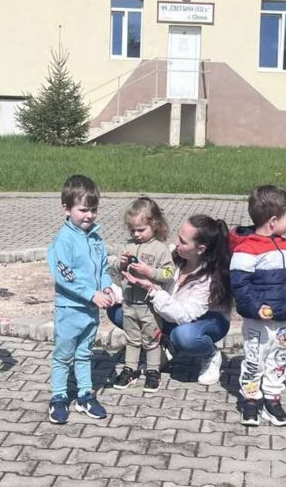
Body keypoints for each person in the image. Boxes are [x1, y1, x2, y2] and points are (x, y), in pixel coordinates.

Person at [122, 214, 232, 387]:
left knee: (184, 336)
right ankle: (166, 345)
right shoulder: (173, 255)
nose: (176, 242)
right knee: (121, 311)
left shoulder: (208, 278)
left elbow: (185, 315)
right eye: (178, 236)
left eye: (183, 241)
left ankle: (210, 355)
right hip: (170, 314)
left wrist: (152, 290)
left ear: (200, 249)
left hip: (205, 321)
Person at [46, 175, 119, 425]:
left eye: (93, 210)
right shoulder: (63, 240)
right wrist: (91, 294)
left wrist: (106, 286)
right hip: (70, 309)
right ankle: (58, 397)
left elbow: (103, 268)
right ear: (66, 209)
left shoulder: (97, 238)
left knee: (84, 353)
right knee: (63, 355)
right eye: (83, 210)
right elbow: (64, 276)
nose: (89, 215)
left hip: (91, 310)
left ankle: (85, 395)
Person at [231, 185, 286, 427]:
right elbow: (240, 284)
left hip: (282, 318)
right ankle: (251, 400)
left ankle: (273, 400)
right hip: (258, 320)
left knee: (279, 358)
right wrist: (255, 307)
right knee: (255, 360)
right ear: (273, 221)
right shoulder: (246, 248)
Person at [109, 197, 175, 391]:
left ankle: (153, 371)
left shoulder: (160, 249)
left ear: (154, 224)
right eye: (132, 230)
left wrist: (150, 272)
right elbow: (115, 268)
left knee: (151, 339)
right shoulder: (127, 246)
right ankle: (130, 369)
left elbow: (169, 274)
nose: (136, 234)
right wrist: (120, 263)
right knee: (132, 339)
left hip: (149, 306)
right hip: (129, 303)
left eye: (141, 230)